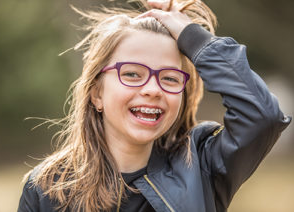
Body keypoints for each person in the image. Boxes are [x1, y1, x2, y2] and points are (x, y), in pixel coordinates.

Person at [17, 0, 291, 211]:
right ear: (96, 93)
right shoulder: (47, 188)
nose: (152, 89)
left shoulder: (201, 165)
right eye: (132, 74)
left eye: (170, 78)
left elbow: (262, 115)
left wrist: (190, 34)